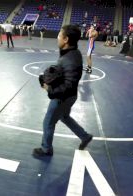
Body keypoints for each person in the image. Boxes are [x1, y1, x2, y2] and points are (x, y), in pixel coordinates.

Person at [33, 24, 93, 157]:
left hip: (62, 97)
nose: (57, 38)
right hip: (70, 96)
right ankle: (84, 136)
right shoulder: (73, 53)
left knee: (48, 122)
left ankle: (46, 149)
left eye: (59, 35)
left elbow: (69, 84)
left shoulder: (68, 59)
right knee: (64, 117)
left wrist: (50, 89)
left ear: (66, 39)